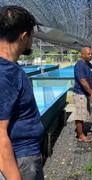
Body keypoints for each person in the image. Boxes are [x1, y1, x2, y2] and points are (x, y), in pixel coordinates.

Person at [0, 6, 44, 180]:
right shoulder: (5, 73)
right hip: (20, 158)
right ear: (24, 36)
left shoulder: (10, 68)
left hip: (24, 155)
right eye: (31, 36)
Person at [73, 47, 92, 142]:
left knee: (85, 113)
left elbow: (91, 79)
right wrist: (91, 93)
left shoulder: (89, 65)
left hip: (86, 93)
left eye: (91, 53)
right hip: (80, 94)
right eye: (88, 54)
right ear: (82, 54)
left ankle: (82, 130)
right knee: (80, 115)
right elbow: (82, 81)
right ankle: (80, 135)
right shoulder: (79, 65)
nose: (90, 55)